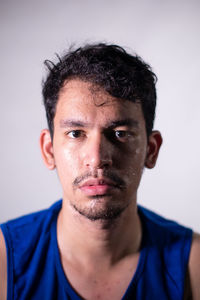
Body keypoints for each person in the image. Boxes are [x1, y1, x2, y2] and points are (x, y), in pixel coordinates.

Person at [0, 43, 199, 300]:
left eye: (120, 134)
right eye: (75, 133)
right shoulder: (6, 260)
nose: (97, 158)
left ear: (151, 150)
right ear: (49, 150)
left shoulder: (192, 264)